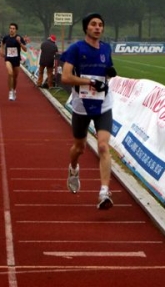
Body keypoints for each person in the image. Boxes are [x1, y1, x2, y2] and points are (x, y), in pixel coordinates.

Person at [61, 13, 117, 210]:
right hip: (82, 105)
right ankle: (74, 168)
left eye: (101, 25)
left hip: (103, 104)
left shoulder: (106, 48)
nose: (98, 28)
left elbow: (107, 69)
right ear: (86, 28)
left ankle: (103, 192)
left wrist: (109, 73)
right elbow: (66, 77)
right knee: (80, 148)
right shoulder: (76, 49)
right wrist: (89, 82)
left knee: (103, 146)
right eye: (93, 24)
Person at [0, 23, 27, 101]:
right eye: (10, 28)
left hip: (16, 59)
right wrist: (1, 50)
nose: (11, 30)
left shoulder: (19, 38)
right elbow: (2, 43)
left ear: (16, 30)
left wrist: (20, 42)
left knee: (15, 77)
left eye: (13, 28)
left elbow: (25, 49)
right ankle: (10, 92)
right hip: (8, 58)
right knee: (10, 73)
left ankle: (14, 90)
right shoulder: (6, 37)